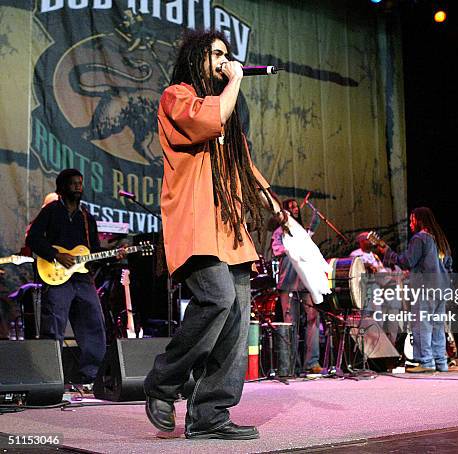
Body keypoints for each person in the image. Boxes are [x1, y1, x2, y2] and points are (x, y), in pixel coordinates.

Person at [143, 29, 286, 440]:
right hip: (196, 222)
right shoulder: (178, 96)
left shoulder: (225, 111)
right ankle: (162, 383)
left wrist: (274, 205)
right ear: (196, 58)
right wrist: (237, 78)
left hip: (229, 228)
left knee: (238, 320)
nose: (225, 62)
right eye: (216, 54)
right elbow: (207, 119)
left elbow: (244, 165)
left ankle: (210, 414)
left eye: (228, 55)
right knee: (217, 297)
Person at [25, 169, 124, 384]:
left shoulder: (87, 217)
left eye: (80, 183)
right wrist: (56, 254)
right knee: (54, 326)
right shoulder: (51, 211)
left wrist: (114, 255)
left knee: (93, 324)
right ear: (61, 188)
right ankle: (49, 377)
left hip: (82, 279)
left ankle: (90, 376)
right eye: (73, 183)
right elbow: (32, 238)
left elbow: (94, 251)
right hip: (56, 276)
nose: (78, 186)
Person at [378, 207, 452, 372]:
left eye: (412, 220)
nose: (411, 224)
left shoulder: (420, 238)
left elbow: (407, 261)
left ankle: (425, 362)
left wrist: (388, 252)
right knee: (437, 326)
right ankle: (441, 362)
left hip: (425, 288)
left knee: (422, 325)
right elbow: (448, 264)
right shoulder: (440, 239)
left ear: (419, 220)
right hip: (441, 288)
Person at [271, 199, 321, 374]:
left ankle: (312, 362)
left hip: (306, 282)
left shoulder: (302, 233)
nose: (294, 209)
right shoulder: (279, 233)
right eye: (289, 207)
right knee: (290, 323)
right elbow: (277, 250)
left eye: (295, 206)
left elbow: (315, 224)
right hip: (288, 283)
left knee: (313, 319)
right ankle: (292, 364)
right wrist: (293, 245)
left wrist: (314, 212)